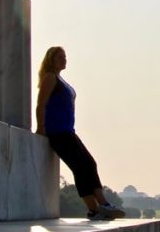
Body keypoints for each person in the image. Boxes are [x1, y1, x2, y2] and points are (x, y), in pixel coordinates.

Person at [35, 46, 124, 220]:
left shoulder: (59, 79)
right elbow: (41, 104)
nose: (64, 60)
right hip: (58, 132)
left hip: (68, 131)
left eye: (65, 57)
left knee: (89, 164)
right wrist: (41, 127)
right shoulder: (50, 78)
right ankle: (96, 207)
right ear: (51, 60)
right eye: (60, 57)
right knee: (81, 167)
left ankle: (102, 205)